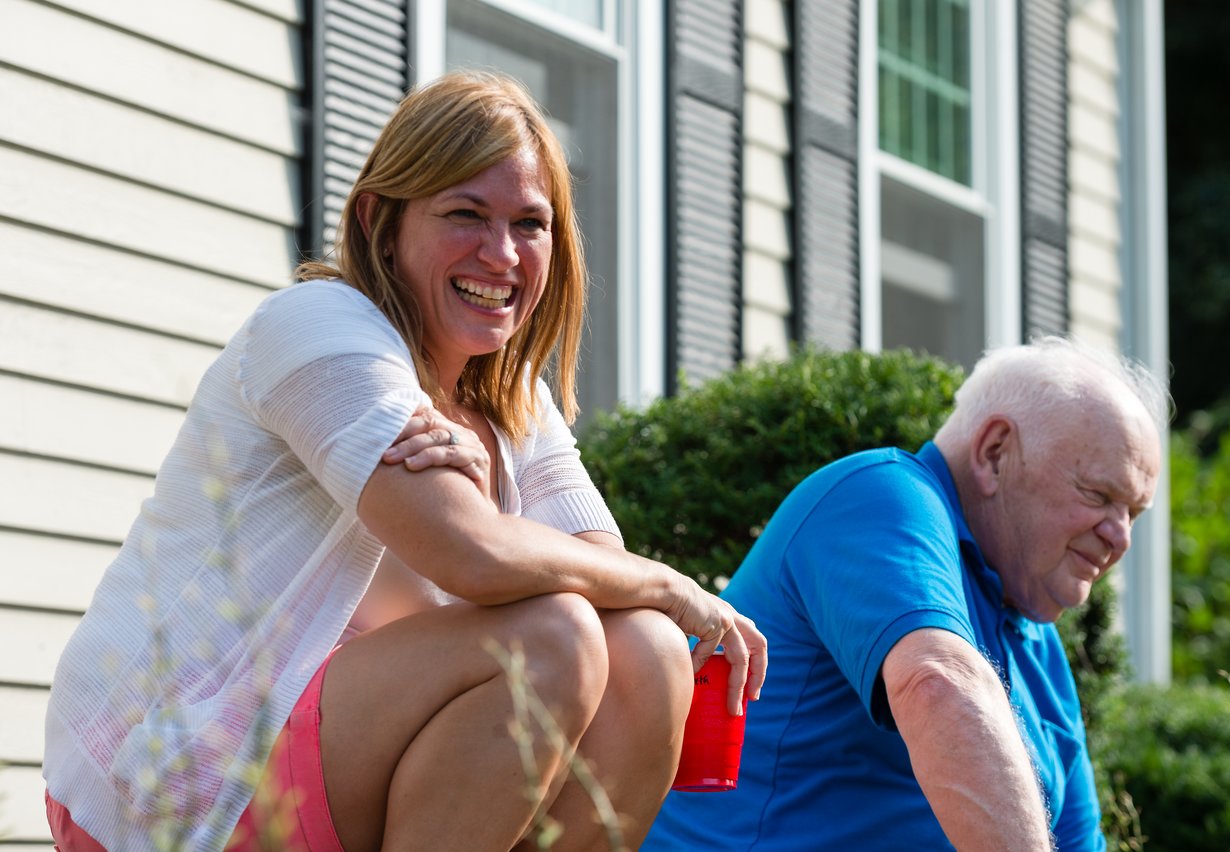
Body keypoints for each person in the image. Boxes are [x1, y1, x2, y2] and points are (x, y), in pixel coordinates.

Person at [43, 71, 766, 852]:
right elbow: (476, 556)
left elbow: (596, 566)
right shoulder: (319, 325)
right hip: (180, 773)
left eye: (530, 223)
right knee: (550, 638)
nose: (501, 253)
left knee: (647, 651)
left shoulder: (513, 396)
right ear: (381, 220)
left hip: (340, 751)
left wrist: (487, 496)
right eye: (465, 214)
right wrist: (670, 582)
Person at [644, 336, 1166, 851]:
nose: (1120, 537)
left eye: (1134, 514)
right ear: (995, 452)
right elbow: (936, 681)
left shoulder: (1040, 650)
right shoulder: (881, 495)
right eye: (1099, 495)